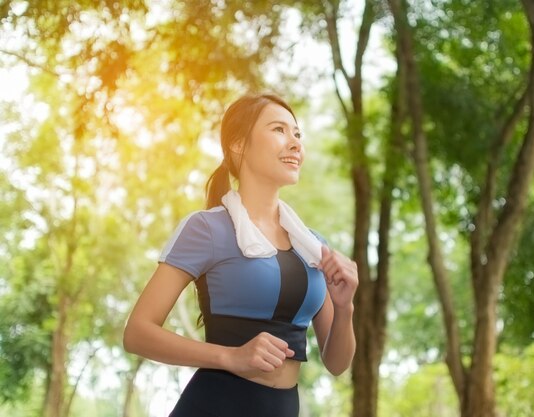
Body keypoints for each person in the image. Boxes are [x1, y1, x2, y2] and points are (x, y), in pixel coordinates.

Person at [123, 93, 358, 417]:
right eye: (279, 130)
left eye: (297, 134)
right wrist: (230, 357)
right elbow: (137, 333)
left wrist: (345, 307)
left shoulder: (314, 247)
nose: (294, 143)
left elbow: (337, 363)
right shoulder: (206, 228)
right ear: (238, 144)